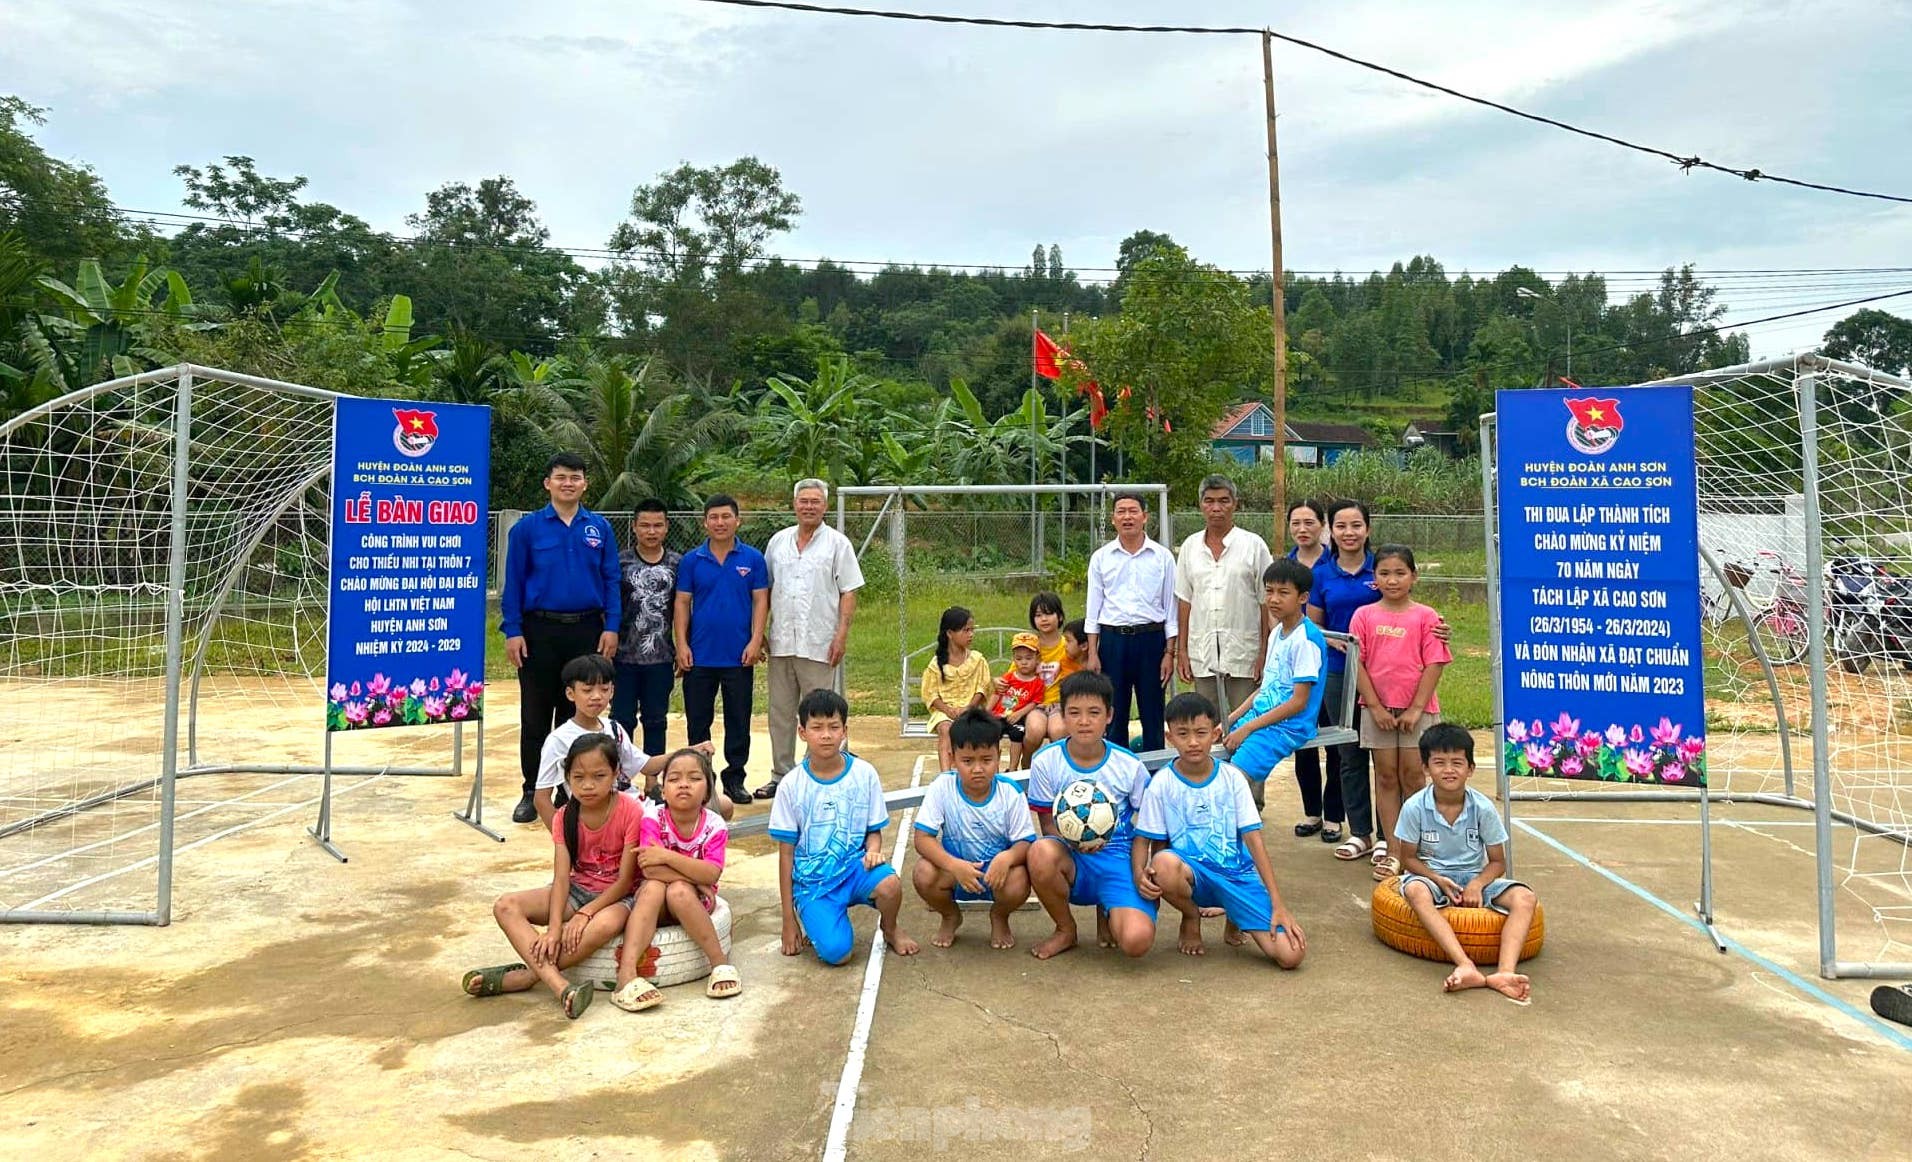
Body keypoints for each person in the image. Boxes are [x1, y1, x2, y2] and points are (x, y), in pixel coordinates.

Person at [462, 733, 640, 1019]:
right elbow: (561, 878)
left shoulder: (631, 811)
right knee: (505, 905)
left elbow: (625, 880)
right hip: (577, 889)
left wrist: (585, 914)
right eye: (578, 777)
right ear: (567, 777)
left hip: (618, 897)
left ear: (617, 773)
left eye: (599, 775)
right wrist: (555, 928)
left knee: (603, 926)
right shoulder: (564, 816)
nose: (588, 785)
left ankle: (528, 977)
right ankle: (561, 987)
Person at [1136, 692, 1307, 966]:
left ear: (1215, 734)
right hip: (1194, 875)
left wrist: (1278, 903)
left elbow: (1254, 840)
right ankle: (1191, 916)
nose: (1193, 742)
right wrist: (1149, 878)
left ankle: (1235, 915)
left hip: (1237, 875)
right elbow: (1152, 841)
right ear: (1170, 738)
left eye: (1201, 732)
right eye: (1182, 734)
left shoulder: (1233, 778)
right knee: (1163, 864)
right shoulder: (1162, 783)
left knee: (1291, 955)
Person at [499, 452, 622, 824]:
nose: (568, 483)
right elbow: (513, 583)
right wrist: (513, 630)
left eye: (575, 477)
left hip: (586, 628)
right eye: (561, 477)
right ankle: (531, 791)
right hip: (539, 631)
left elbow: (611, 578)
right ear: (547, 483)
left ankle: (571, 792)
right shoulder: (527, 529)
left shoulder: (599, 528)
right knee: (536, 714)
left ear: (585, 484)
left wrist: (611, 625)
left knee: (579, 715)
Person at [770, 688, 918, 965]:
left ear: (845, 730)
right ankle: (815, 914)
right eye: (817, 727)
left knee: (889, 884)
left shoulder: (864, 774)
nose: (826, 735)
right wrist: (787, 920)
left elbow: (873, 831)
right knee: (837, 954)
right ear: (802, 732)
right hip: (814, 883)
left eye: (833, 727)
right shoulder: (791, 785)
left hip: (854, 868)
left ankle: (890, 928)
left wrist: (874, 849)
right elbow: (786, 853)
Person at [1393, 724, 1539, 1002]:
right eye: (1439, 763)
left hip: (1475, 875)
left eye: (1457, 763)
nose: (1449, 770)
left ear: (1471, 768)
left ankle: (1504, 973)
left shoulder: (1482, 807)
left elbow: (1498, 862)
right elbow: (1407, 858)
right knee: (1415, 892)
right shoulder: (1414, 807)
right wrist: (1436, 879)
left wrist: (1477, 883)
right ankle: (1464, 963)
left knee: (1525, 898)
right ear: (1425, 768)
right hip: (1432, 876)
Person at [1025, 671, 1158, 961]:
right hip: (1071, 857)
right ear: (1062, 716)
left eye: (1094, 712)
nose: (1084, 721)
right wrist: (1074, 842)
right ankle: (1065, 929)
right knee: (1039, 852)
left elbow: (1147, 827)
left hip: (1117, 856)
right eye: (1074, 713)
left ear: (1109, 715)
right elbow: (1047, 823)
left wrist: (1140, 869)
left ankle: (1108, 908)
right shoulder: (1046, 761)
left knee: (1137, 942)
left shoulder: (1128, 765)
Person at [531, 653, 727, 829]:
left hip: (634, 805)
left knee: (722, 806)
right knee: (699, 817)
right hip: (601, 816)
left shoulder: (613, 728)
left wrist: (689, 752)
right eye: (587, 690)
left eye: (604, 689)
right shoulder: (558, 740)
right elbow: (541, 799)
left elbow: (647, 765)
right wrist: (563, 840)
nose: (597, 696)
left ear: (612, 691)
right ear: (570, 694)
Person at [1351, 545, 1451, 883]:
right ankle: (1393, 849)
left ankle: (1418, 851)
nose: (1392, 580)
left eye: (1400, 573)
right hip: (1376, 710)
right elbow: (1358, 663)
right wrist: (1376, 707)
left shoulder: (1427, 616)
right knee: (1386, 777)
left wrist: (1416, 708)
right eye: (1384, 573)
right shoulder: (1363, 616)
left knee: (1414, 777)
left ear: (1414, 576)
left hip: (1417, 712)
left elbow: (1435, 662)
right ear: (1374, 578)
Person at [612, 748, 740, 1011]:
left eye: (694, 778)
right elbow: (649, 869)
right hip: (655, 899)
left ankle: (719, 963)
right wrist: (694, 876)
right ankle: (625, 976)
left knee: (679, 891)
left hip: (693, 901)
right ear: (663, 788)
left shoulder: (714, 824)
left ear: (707, 790)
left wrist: (666, 857)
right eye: (674, 779)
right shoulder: (652, 816)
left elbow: (712, 873)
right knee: (657, 887)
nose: (684, 785)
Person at [761, 478, 865, 802]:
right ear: (794, 504)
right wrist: (760, 631)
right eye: (803, 500)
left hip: (820, 642)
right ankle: (782, 775)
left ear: (825, 506)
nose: (809, 506)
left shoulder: (838, 544)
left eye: (815, 501)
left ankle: (831, 773)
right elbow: (764, 589)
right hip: (781, 642)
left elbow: (849, 591)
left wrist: (841, 635)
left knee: (824, 712)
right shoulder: (777, 542)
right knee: (780, 710)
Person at [911, 709, 1037, 949]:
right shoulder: (942, 787)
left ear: (998, 756)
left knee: (1020, 878)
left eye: (986, 760)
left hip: (996, 874)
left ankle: (999, 916)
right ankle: (950, 915)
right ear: (953, 757)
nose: (977, 768)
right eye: (967, 761)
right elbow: (923, 838)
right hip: (955, 869)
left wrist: (1007, 857)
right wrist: (953, 865)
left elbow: (1025, 842)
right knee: (923, 873)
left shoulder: (1010, 792)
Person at [674, 495, 770, 807]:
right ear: (705, 522)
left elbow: (760, 601)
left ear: (737, 520)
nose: (720, 522)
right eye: (713, 517)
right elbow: (682, 603)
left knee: (738, 720)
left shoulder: (753, 559)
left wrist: (755, 641)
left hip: (738, 656)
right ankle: (702, 780)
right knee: (698, 722)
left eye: (726, 517)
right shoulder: (692, 560)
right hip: (700, 656)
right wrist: (682, 645)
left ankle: (734, 779)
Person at [1223, 559, 1327, 811]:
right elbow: (1265, 688)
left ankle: (1242, 835)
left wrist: (1246, 728)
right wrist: (1231, 719)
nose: (1274, 599)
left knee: (1233, 780)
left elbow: (1298, 702)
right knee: (1212, 756)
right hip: (1263, 718)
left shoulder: (1305, 640)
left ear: (1302, 597)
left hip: (1288, 728)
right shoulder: (1277, 633)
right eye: (1269, 591)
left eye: (1283, 592)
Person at [1175, 474, 1274, 730]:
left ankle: (1242, 772)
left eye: (1223, 501)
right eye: (1209, 501)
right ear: (1201, 505)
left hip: (1245, 653)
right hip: (1203, 651)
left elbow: (1266, 602)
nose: (1216, 508)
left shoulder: (1254, 546)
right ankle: (1213, 771)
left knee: (1245, 724)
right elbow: (1185, 601)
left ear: (1235, 504)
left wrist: (1264, 651)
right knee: (1205, 725)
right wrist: (1182, 651)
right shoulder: (1189, 547)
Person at [1084, 493, 1178, 753]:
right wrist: (1093, 652)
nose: (1127, 517)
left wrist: (1170, 653)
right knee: (1114, 711)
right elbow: (1093, 609)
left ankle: (1154, 776)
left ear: (1145, 517)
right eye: (1121, 512)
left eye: (1133, 511)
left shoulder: (1163, 558)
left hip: (1152, 641)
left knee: (1152, 712)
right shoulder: (1101, 558)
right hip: (1113, 642)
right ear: (1113, 519)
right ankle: (1117, 774)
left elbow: (1171, 609)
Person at [1284, 499, 1344, 844]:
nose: (1303, 529)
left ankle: (1335, 816)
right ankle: (1312, 812)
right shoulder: (1285, 564)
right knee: (1302, 740)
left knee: (1335, 742)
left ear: (1323, 525)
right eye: (1296, 523)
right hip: (1296, 667)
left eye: (1310, 522)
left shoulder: (1333, 563)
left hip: (1333, 666)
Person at [613, 499, 680, 759]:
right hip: (622, 658)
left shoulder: (678, 564)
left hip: (661, 658)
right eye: (645, 526)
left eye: (657, 525)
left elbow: (683, 609)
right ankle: (620, 778)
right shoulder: (620, 563)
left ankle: (654, 782)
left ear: (666, 528)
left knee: (656, 720)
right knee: (621, 721)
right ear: (634, 527)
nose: (651, 531)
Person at [921, 606, 991, 773]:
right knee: (946, 728)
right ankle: (946, 774)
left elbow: (983, 687)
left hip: (971, 709)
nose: (970, 634)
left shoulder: (977, 660)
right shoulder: (937, 663)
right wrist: (948, 710)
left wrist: (968, 707)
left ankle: (974, 769)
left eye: (972, 630)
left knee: (976, 727)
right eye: (965, 630)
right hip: (945, 711)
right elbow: (930, 693)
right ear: (950, 633)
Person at [1019, 592, 1076, 749]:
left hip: (1060, 703)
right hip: (1034, 703)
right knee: (1035, 731)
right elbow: (1015, 673)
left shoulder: (1068, 646)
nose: (1043, 619)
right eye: (1038, 615)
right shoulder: (1029, 646)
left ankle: (1056, 768)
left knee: (1058, 731)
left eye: (1048, 613)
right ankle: (1027, 764)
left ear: (1060, 616)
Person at [989, 632, 1047, 768]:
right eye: (1019, 658)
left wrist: (1019, 714)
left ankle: (1013, 767)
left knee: (1018, 734)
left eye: (1028, 658)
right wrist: (987, 711)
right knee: (991, 733)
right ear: (1014, 659)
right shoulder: (1009, 677)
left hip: (1017, 717)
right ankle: (993, 767)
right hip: (1000, 714)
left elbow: (1034, 703)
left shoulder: (1037, 682)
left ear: (1037, 658)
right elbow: (997, 693)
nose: (1024, 662)